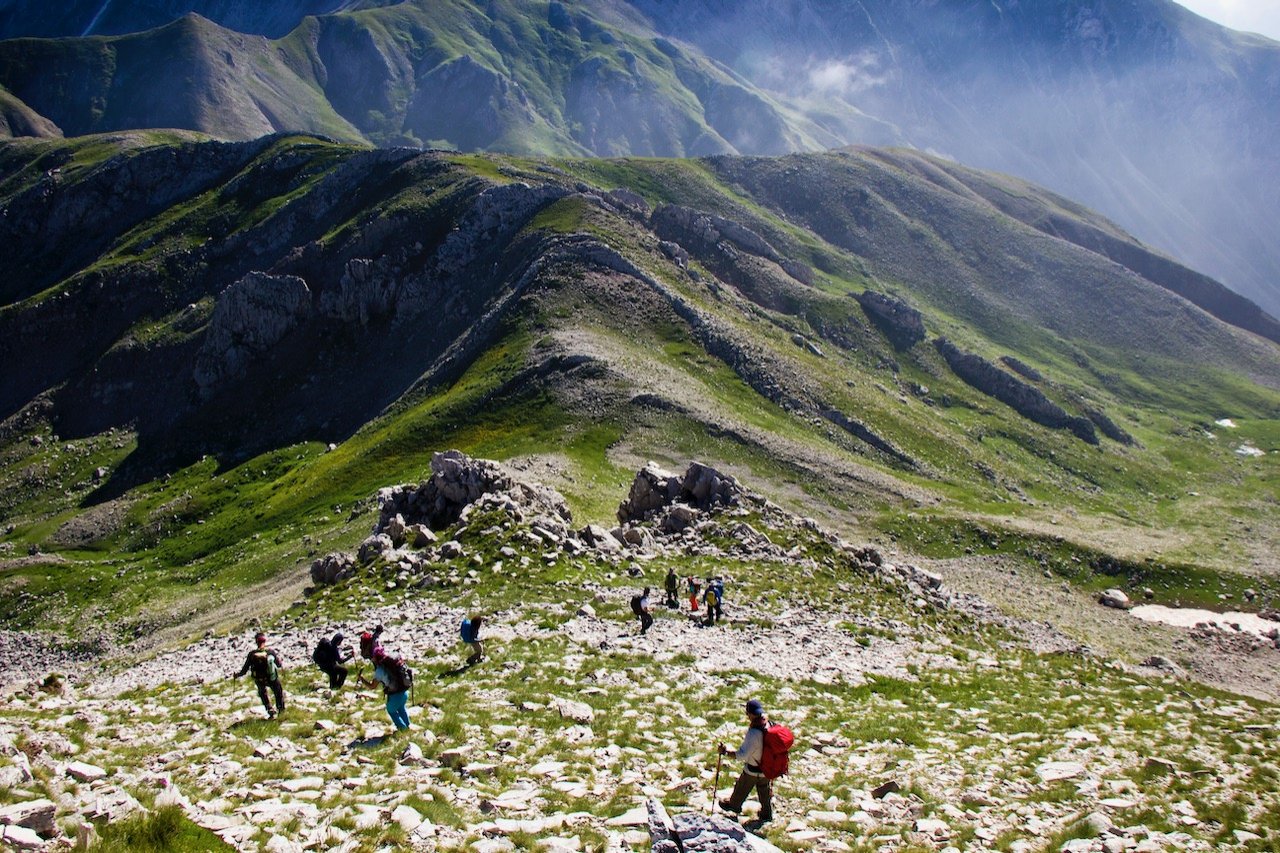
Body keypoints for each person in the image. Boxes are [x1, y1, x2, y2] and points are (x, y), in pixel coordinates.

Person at [718, 699, 773, 825]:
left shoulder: (754, 732)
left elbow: (743, 755)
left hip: (753, 769)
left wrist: (726, 752)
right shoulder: (768, 725)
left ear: (750, 714)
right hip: (767, 768)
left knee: (741, 787)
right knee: (764, 791)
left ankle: (734, 806)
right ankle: (766, 814)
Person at [232, 632, 285, 719]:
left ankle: (269, 709)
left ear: (256, 642)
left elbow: (244, 670)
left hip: (259, 679)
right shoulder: (270, 652)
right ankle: (281, 710)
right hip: (271, 677)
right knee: (278, 691)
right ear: (265, 641)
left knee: (262, 692)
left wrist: (237, 675)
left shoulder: (252, 654)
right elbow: (279, 665)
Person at [359, 648, 412, 731]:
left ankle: (402, 729)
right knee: (401, 708)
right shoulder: (393, 663)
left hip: (394, 695)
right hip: (404, 692)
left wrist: (362, 679)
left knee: (391, 710)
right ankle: (407, 725)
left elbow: (372, 686)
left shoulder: (380, 670)